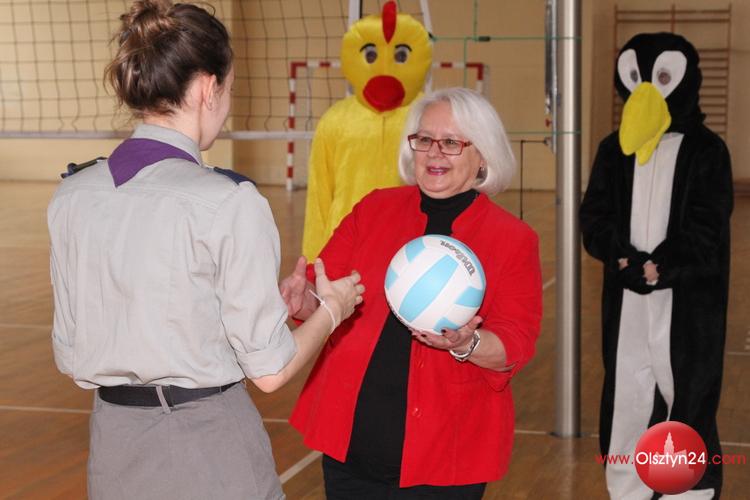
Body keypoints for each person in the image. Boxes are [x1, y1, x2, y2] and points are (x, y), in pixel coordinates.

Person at [47, 1, 363, 499]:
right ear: (206, 89)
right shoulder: (228, 200)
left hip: (113, 445)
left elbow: (71, 353)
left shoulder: (73, 194)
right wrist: (333, 309)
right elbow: (271, 371)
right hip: (208, 445)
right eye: (230, 89)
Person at [281, 87, 542, 498]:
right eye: (424, 139)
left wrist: (467, 343)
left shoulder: (513, 239)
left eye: (451, 142)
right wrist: (305, 299)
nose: (434, 152)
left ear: (483, 155)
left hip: (446, 458)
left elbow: (515, 343)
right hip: (351, 446)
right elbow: (328, 292)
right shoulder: (374, 209)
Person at [580, 33, 732, 499]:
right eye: (638, 78)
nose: (647, 89)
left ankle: (689, 489)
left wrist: (662, 265)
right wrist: (621, 257)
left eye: (661, 77)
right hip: (627, 297)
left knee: (685, 389)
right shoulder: (613, 150)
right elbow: (595, 216)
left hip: (687, 300)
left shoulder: (706, 151)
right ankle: (627, 485)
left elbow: (708, 226)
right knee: (628, 390)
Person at [301, 0, 432, 261]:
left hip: (413, 248)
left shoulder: (430, 117)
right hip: (346, 243)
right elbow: (319, 194)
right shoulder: (335, 120)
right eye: (370, 56)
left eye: (401, 56)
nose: (384, 66)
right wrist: (313, 258)